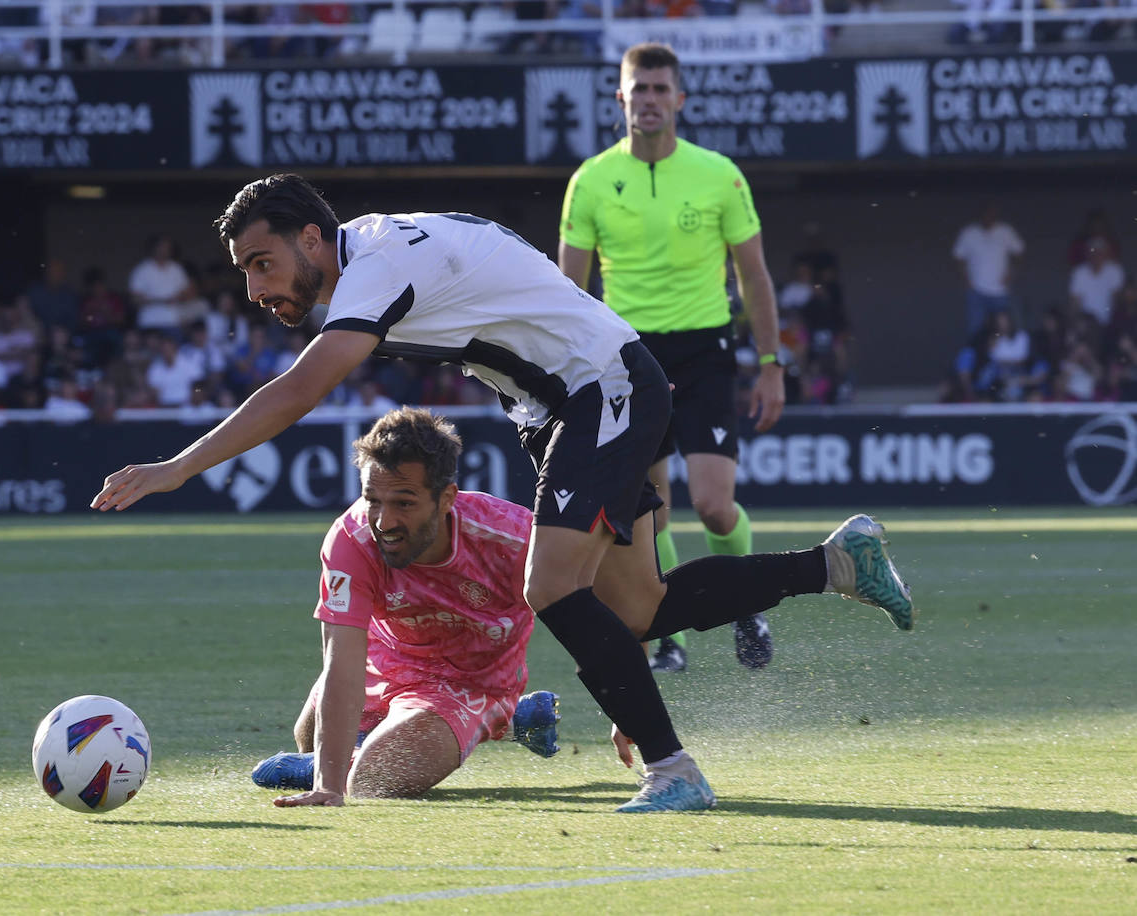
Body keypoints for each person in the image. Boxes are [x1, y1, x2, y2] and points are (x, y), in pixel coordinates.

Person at [91, 173, 914, 812]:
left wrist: (174, 468)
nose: (255, 288)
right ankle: (837, 565)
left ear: (314, 237)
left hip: (600, 388)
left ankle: (674, 771)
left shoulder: (371, 266)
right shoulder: (377, 253)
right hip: (570, 400)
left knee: (549, 585)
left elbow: (302, 390)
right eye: (244, 272)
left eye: (262, 263)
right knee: (633, 610)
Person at [558, 42, 784, 674]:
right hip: (629, 356)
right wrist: (564, 374)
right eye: (640, 89)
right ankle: (668, 638)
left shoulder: (719, 174)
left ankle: (746, 607)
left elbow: (756, 275)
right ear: (621, 99)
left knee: (713, 504)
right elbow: (567, 290)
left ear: (678, 100)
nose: (650, 100)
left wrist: (771, 363)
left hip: (706, 351)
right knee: (649, 511)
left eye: (661, 89)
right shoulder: (593, 180)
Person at [247, 408, 562, 799]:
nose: (383, 521)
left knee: (373, 780)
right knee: (310, 739)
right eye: (372, 500)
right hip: (385, 662)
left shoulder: (512, 539)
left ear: (446, 498)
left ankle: (497, 713)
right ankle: (520, 719)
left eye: (404, 503)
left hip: (468, 684)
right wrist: (327, 785)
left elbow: (594, 608)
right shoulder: (351, 538)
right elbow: (340, 662)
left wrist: (626, 707)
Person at [952, 201, 1025, 340]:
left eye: (992, 215)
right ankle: (978, 357)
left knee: (1002, 328)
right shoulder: (969, 233)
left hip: (1000, 290)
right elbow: (959, 256)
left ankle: (1004, 355)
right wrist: (966, 279)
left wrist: (1011, 273)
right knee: (975, 328)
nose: (989, 218)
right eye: (986, 215)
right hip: (977, 290)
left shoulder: (1005, 231)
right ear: (981, 216)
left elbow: (1019, 253)